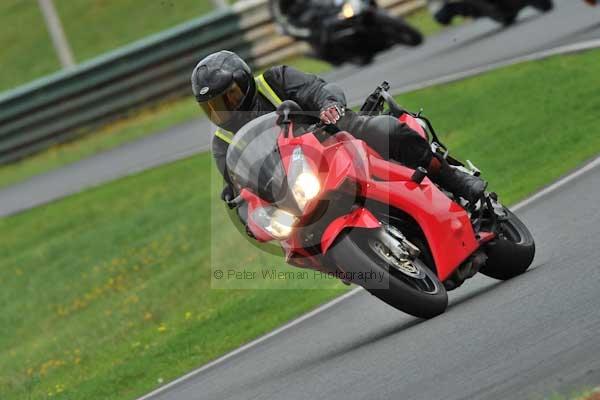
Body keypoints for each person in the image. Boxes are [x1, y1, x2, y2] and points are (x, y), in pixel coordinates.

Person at [191, 50, 486, 207]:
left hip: (331, 137)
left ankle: (454, 180)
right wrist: (237, 198)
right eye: (213, 106)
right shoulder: (223, 143)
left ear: (244, 82)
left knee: (383, 131)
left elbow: (317, 88)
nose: (224, 109)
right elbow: (239, 181)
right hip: (298, 180)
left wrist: (329, 105)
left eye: (228, 96)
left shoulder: (273, 80)